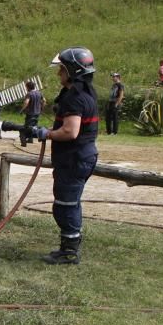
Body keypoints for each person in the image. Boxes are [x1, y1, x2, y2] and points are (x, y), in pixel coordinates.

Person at [29, 47, 99, 265]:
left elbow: (70, 131)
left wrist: (47, 133)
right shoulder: (85, 93)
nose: (59, 74)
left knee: (65, 206)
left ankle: (69, 252)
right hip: (80, 157)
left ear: (72, 71)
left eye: (61, 70)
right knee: (69, 203)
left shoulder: (75, 98)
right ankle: (69, 246)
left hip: (74, 159)